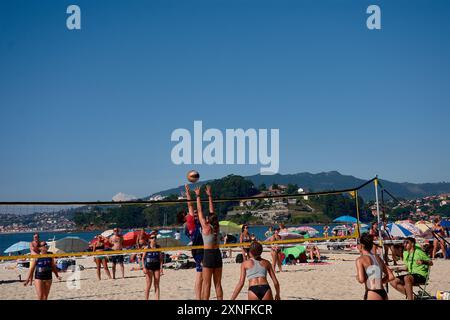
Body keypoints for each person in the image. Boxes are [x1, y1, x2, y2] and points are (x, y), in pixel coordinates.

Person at [195, 185, 223, 300]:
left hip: (209, 255)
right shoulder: (217, 227)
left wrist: (197, 196)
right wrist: (210, 195)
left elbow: (200, 210)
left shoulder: (206, 227)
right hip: (217, 254)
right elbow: (213, 212)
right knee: (217, 284)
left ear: (208, 220)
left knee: (207, 284)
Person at [355, 233, 394, 300]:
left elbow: (362, 280)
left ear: (361, 245)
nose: (357, 246)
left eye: (357, 244)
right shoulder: (378, 258)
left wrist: (357, 277)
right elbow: (391, 276)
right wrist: (379, 282)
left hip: (372, 292)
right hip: (383, 292)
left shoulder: (360, 260)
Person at [183, 184, 205, 300]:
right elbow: (190, 206)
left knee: (202, 276)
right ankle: (198, 298)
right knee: (200, 275)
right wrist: (188, 193)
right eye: (195, 214)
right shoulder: (191, 223)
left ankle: (200, 297)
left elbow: (198, 210)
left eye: (197, 214)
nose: (196, 215)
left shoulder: (201, 223)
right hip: (197, 251)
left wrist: (198, 196)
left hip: (203, 249)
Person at [141, 232, 163, 300]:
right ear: (149, 240)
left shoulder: (158, 247)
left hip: (156, 267)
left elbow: (161, 259)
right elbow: (143, 258)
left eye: (155, 237)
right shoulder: (146, 248)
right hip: (149, 267)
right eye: (152, 238)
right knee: (148, 285)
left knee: (156, 285)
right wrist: (144, 268)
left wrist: (161, 268)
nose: (154, 239)